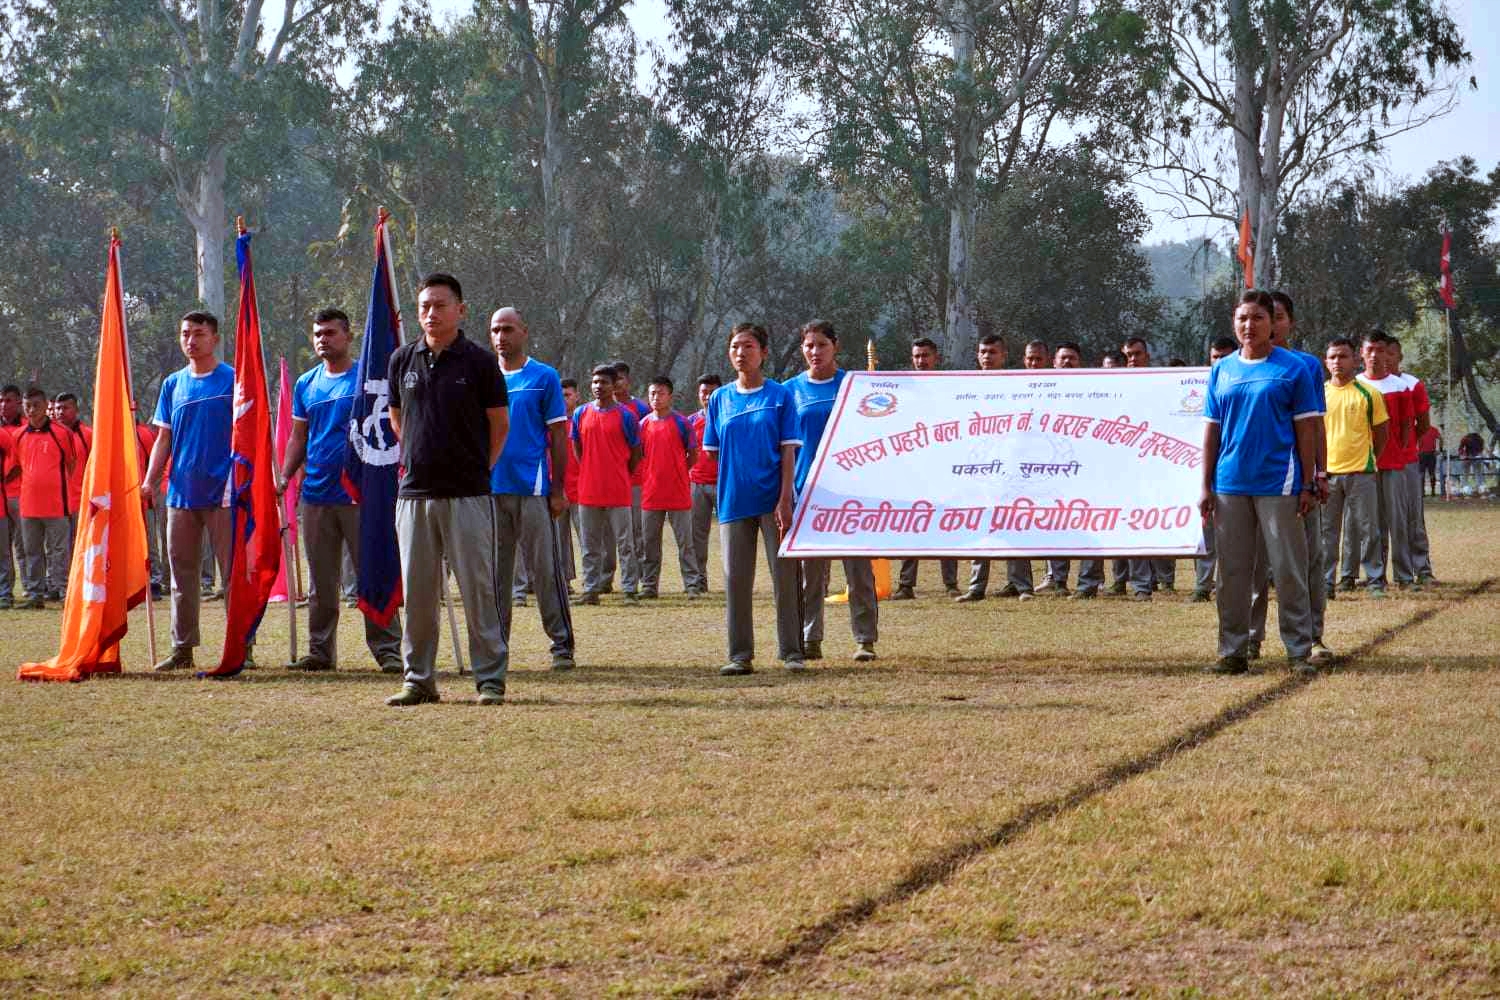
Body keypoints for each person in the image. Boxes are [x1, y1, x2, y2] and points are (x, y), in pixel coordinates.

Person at [384, 273, 510, 706]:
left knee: (478, 590)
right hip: (414, 495)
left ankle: (489, 679)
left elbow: (499, 426)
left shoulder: (480, 362)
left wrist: (476, 468)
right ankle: (418, 680)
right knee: (418, 595)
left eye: (440, 305)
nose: (431, 313)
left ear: (461, 310)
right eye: (424, 306)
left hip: (468, 494)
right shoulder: (402, 359)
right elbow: (398, 419)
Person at [1201, 290, 1321, 676]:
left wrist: (1308, 482)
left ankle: (1299, 650)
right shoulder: (1222, 370)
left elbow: (1307, 430)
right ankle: (1232, 652)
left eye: (1257, 318)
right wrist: (1205, 485)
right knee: (1232, 573)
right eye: (1242, 319)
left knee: (1288, 569)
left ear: (1272, 324)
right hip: (1229, 484)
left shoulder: (1293, 368)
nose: (1249, 326)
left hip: (1279, 484)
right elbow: (1211, 431)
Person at [278, 307, 404, 674]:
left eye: (331, 333)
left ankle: (388, 650)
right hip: (316, 495)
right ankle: (320, 652)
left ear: (348, 336)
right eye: (318, 334)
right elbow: (298, 437)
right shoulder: (306, 384)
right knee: (321, 582)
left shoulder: (366, 381)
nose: (323, 339)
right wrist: (285, 476)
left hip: (360, 495)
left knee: (372, 573)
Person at [702, 322, 803, 676]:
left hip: (774, 501)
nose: (740, 353)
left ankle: (792, 652)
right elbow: (713, 450)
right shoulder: (719, 399)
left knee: (785, 578)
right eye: (735, 346)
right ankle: (740, 655)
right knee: (736, 581)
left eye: (748, 346)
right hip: (733, 502)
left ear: (763, 352)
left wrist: (785, 499)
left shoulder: (780, 396)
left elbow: (788, 451)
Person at [142, 312, 235, 672]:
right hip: (181, 493)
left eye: (199, 333)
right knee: (181, 573)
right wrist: (150, 480)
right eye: (185, 334)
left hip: (225, 491)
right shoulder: (173, 384)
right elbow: (163, 438)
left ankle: (240, 645)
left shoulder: (233, 380)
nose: (191, 340)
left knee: (232, 573)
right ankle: (182, 648)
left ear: (215, 338)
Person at [488, 306, 576, 671]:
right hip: (491, 491)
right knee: (496, 575)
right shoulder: (483, 376)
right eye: (495, 330)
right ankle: (496, 648)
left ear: (524, 332)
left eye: (508, 329)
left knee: (546, 571)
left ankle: (561, 646)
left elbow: (558, 435)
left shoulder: (544, 376)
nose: (501, 336)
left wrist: (557, 489)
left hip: (533, 489)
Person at [785, 321, 879, 662]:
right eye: (809, 345)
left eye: (822, 344)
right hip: (808, 492)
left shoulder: (854, 385)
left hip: (851, 492)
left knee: (859, 571)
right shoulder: (790, 390)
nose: (815, 351)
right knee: (810, 574)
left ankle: (865, 639)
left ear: (835, 346)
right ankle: (810, 637)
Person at [1245, 291, 1330, 664]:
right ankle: (1250, 638)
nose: (1269, 325)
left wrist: (1319, 473)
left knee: (1305, 561)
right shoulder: (1237, 366)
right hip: (1251, 483)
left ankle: (1312, 636)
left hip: (1296, 484)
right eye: (1260, 317)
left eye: (1277, 317)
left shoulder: (1305, 366)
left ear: (1289, 323)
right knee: (1252, 565)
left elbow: (1315, 425)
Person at [1321, 336, 1388, 597]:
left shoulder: (1369, 394)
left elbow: (1381, 433)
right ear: (1326, 362)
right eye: (1332, 357)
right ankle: (1326, 582)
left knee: (1368, 529)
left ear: (1355, 360)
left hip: (1361, 473)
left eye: (1343, 356)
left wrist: (1368, 460)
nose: (1337, 361)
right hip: (1327, 475)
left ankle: (1375, 581)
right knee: (1327, 532)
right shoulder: (1319, 394)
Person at [571, 364, 643, 606]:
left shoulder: (626, 416)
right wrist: (590, 469)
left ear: (614, 386)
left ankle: (630, 590)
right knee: (590, 544)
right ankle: (591, 590)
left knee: (625, 543)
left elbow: (636, 452)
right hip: (588, 490)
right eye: (595, 382)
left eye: (603, 382)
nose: (598, 386)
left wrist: (621, 473)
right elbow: (577, 446)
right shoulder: (581, 413)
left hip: (618, 490)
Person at [958, 333, 1022, 602]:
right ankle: (976, 587)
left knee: (1014, 524)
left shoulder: (1016, 386)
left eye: (993, 352)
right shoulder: (968, 387)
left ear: (1003, 356)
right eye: (983, 352)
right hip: (979, 466)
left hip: (1011, 466)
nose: (987, 356)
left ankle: (1021, 585)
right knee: (981, 525)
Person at [894, 337, 959, 600]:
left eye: (925, 356)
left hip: (944, 467)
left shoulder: (949, 389)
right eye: (917, 356)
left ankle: (951, 583)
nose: (921, 361)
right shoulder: (905, 390)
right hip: (914, 470)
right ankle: (906, 584)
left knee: (947, 525)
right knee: (912, 526)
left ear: (936, 358)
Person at [11, 387, 79, 609]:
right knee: (32, 551)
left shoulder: (62, 433)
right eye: (27, 406)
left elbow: (71, 463)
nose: (31, 410)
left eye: (36, 406)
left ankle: (63, 591)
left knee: (59, 550)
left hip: (57, 504)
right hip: (28, 505)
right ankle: (35, 594)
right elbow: (17, 466)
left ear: (45, 406)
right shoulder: (18, 435)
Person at [1357, 330, 1413, 597]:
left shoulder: (1400, 386)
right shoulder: (1356, 384)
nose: (1375, 355)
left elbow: (1407, 425)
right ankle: (1375, 576)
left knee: (1397, 521)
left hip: (1392, 465)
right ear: (1362, 353)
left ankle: (1404, 575)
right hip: (1363, 466)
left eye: (1380, 350)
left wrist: (1398, 452)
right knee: (1371, 524)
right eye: (1370, 350)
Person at [1117, 336, 1172, 598]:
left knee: (1159, 523)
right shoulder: (1115, 388)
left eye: (1137, 354)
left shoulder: (1160, 385)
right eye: (1128, 355)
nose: (1132, 359)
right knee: (1131, 525)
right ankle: (1140, 585)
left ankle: (1163, 579)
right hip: (1126, 469)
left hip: (1156, 466)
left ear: (1147, 356)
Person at [1188, 336, 1238, 602]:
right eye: (1215, 357)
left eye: (1224, 357)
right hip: (1197, 468)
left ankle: (1228, 585)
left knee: (1233, 535)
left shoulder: (1239, 386)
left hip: (1233, 470)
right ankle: (1202, 585)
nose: (1219, 362)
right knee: (1206, 530)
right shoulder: (1196, 385)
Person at [637, 376, 697, 599]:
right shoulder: (642, 425)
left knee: (685, 543)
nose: (656, 397)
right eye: (652, 393)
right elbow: (639, 455)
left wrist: (678, 471)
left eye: (661, 393)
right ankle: (649, 586)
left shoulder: (682, 423)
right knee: (649, 543)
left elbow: (693, 455)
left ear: (670, 396)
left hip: (678, 493)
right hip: (651, 494)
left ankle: (692, 585)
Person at [1389, 339, 1435, 585]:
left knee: (1412, 515)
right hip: (1373, 463)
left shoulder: (1412, 384)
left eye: (1391, 353)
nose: (1385, 358)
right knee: (1376, 520)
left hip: (1406, 460)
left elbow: (1424, 423)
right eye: (1380, 352)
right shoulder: (1364, 383)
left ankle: (1422, 568)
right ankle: (1377, 574)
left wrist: (1406, 444)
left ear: (1400, 356)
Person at [610, 360, 650, 597]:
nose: (616, 383)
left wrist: (631, 470)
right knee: (606, 536)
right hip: (606, 483)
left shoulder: (641, 409)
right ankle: (604, 579)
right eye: (612, 379)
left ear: (628, 381)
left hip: (635, 481)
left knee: (636, 531)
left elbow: (645, 446)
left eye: (620, 378)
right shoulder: (595, 409)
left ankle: (642, 579)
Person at [685, 374, 721, 596]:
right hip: (697, 484)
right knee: (696, 536)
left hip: (723, 484)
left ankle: (735, 581)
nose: (707, 396)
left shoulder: (727, 418)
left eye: (712, 392)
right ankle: (699, 581)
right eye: (703, 392)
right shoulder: (690, 422)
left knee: (732, 536)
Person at [53, 392, 92, 578]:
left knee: (81, 544)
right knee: (56, 546)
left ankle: (81, 579)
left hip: (80, 501)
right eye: (58, 408)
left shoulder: (88, 435)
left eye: (65, 408)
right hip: (55, 503)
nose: (61, 412)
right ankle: (58, 582)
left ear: (76, 409)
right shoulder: (50, 434)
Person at [0, 384, 23, 609]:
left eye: (8, 400)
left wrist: (5, 480)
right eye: (1, 400)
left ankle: (27, 588)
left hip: (20, 496)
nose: (3, 405)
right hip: (3, 499)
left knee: (21, 547)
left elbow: (18, 461)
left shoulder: (24, 428)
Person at [1418, 423, 1442, 496]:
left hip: (1422, 454)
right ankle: (1432, 491)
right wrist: (1439, 449)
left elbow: (1415, 441)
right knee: (1431, 473)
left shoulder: (1420, 429)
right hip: (1431, 454)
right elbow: (1440, 439)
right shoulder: (1434, 430)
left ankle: (1423, 492)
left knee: (1422, 473)